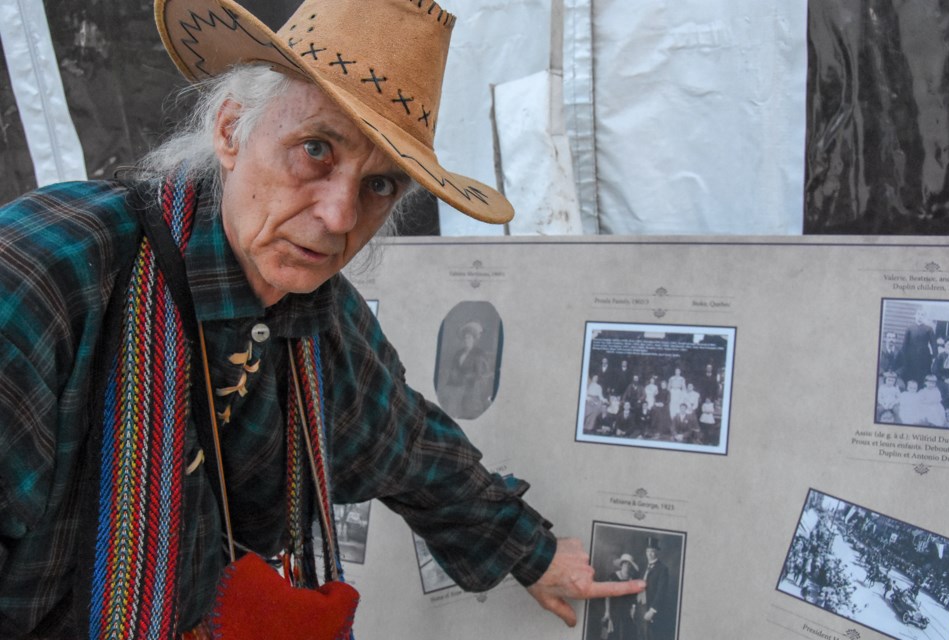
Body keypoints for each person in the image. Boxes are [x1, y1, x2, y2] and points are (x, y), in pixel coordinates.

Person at [0, 0, 644, 636]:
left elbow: (409, 444)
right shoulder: (54, 264)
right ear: (230, 130)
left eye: (380, 184)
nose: (339, 217)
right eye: (315, 149)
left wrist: (536, 557)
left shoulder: (320, 321)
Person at [438, 320, 494, 419]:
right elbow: (453, 369)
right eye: (464, 338)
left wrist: (465, 378)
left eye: (468, 338)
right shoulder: (459, 353)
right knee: (446, 397)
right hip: (455, 384)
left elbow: (480, 374)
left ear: (474, 339)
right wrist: (452, 376)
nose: (466, 340)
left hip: (471, 387)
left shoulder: (479, 354)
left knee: (466, 406)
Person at [601, 553, 641, 640]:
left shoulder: (632, 579)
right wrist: (607, 612)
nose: (627, 566)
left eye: (629, 564)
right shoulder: (613, 577)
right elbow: (607, 595)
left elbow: (633, 597)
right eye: (625, 563)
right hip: (614, 610)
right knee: (612, 633)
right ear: (621, 564)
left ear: (631, 567)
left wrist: (633, 609)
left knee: (626, 634)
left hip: (626, 611)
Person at [638, 539, 671, 640]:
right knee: (640, 635)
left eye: (652, 551)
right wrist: (634, 606)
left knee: (650, 635)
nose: (650, 554)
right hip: (640, 606)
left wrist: (652, 611)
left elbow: (661, 592)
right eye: (648, 551)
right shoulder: (643, 567)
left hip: (650, 608)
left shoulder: (663, 569)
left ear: (657, 552)